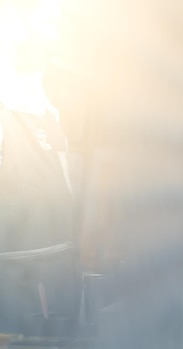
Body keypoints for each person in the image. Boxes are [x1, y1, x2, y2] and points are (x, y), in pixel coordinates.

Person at [0, 0, 80, 336]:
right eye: (48, 22)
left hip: (61, 260)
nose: (56, 34)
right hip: (16, 271)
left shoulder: (47, 102)